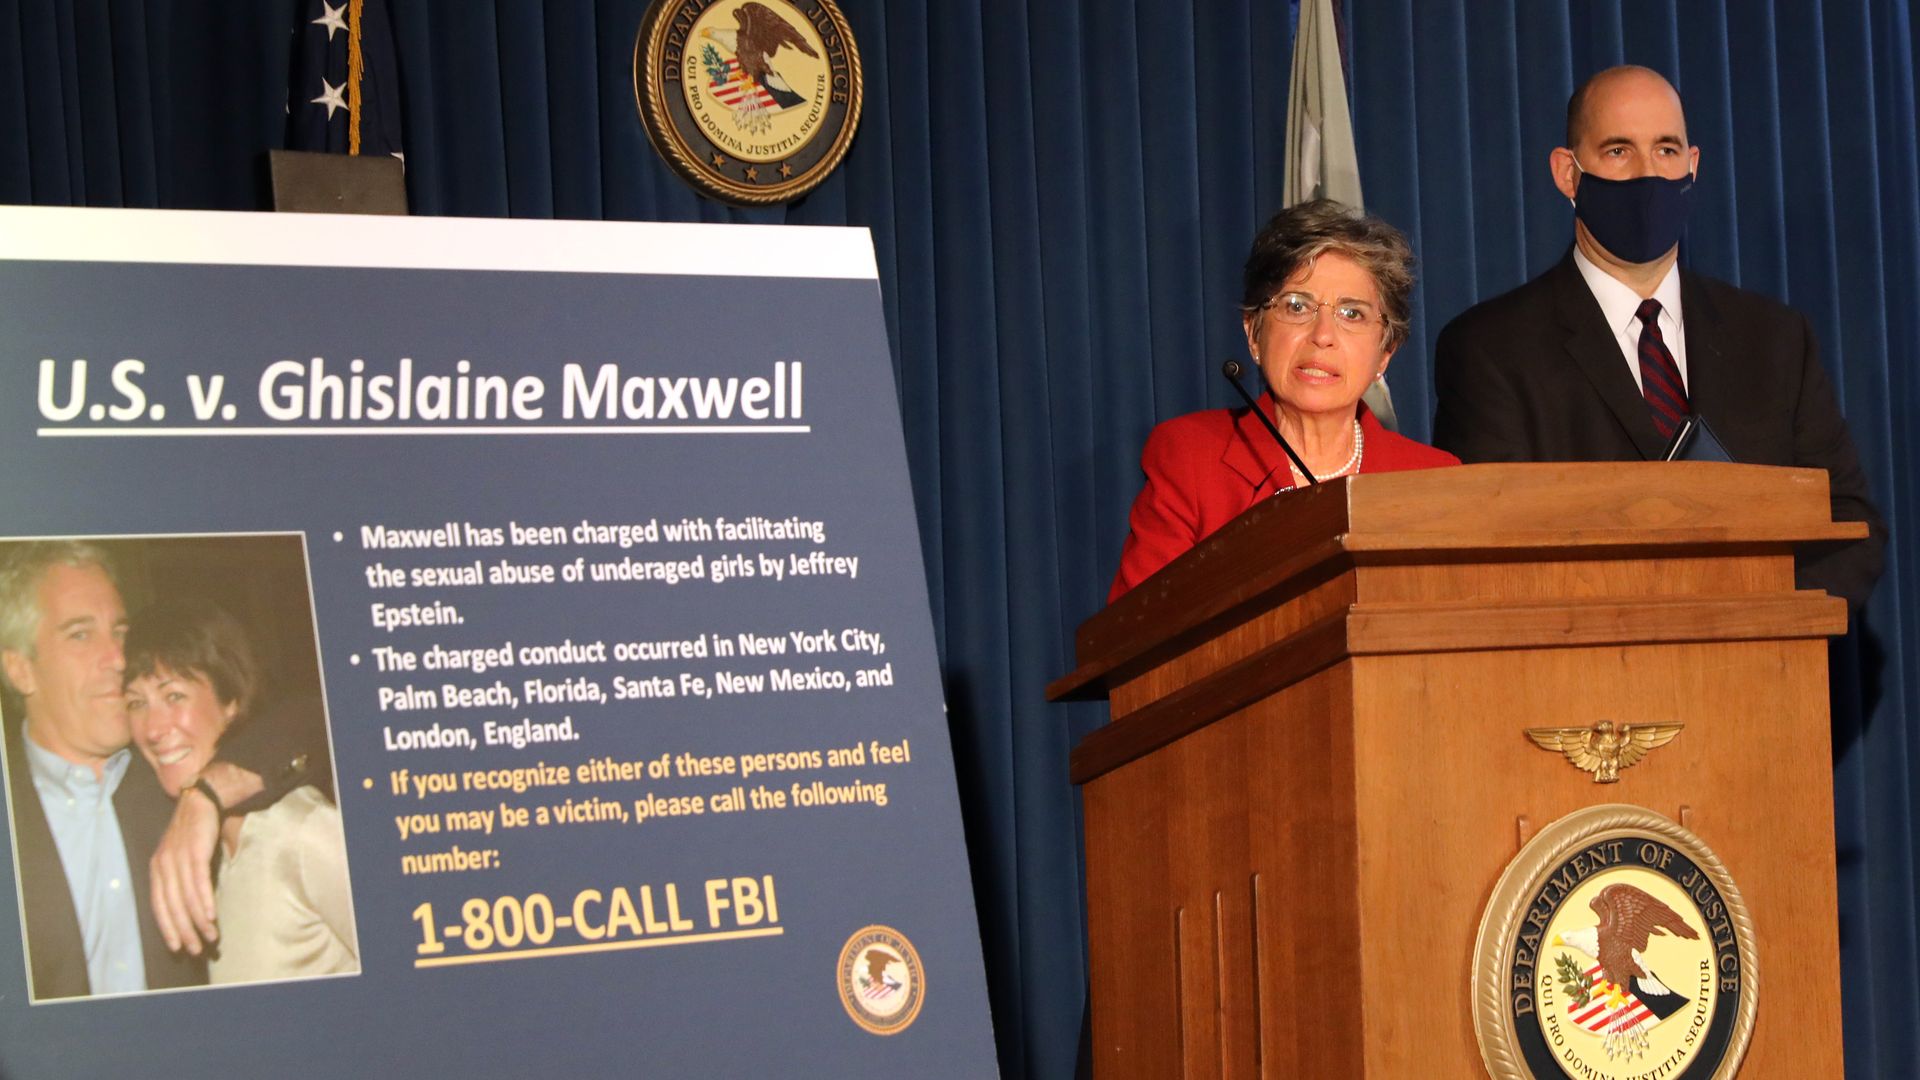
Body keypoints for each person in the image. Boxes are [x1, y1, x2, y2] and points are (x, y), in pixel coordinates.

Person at [1432, 65, 1884, 610]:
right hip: (1584, 679)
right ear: (1567, 173)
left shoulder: (1775, 338)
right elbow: (1492, 548)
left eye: (1666, 151)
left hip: (1766, 673)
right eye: (1619, 151)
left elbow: (1847, 520)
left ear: (1693, 166)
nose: (1649, 174)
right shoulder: (1490, 349)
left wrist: (1754, 619)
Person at [0, 541, 317, 999]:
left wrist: (206, 793)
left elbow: (312, 718)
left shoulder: (173, 770)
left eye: (120, 631)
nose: (117, 658)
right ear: (20, 669)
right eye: (80, 634)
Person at [1110, 200, 1460, 600]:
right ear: (1254, 334)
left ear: (1385, 353)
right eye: (1297, 306)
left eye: (1352, 313)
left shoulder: (1434, 479)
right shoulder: (1191, 458)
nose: (1322, 335)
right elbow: (1136, 640)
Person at [123, 598, 356, 984]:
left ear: (230, 700)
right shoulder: (193, 840)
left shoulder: (302, 831)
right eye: (136, 703)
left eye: (174, 696)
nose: (152, 728)